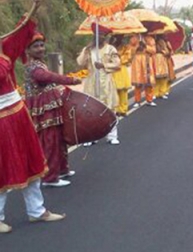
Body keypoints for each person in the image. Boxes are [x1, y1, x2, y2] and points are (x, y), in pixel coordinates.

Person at [0, 18, 65, 234]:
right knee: (3, 168)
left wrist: (32, 12)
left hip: (18, 113)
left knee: (31, 160)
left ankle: (37, 210)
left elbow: (20, 35)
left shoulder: (5, 49)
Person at [24, 32, 81, 187]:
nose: (41, 49)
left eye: (42, 45)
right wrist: (71, 80)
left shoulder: (39, 63)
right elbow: (48, 77)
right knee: (50, 141)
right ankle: (50, 177)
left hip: (50, 105)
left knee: (59, 139)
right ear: (28, 51)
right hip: (44, 109)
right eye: (36, 46)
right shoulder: (34, 67)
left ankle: (62, 169)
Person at [77, 23, 121, 145]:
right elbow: (80, 63)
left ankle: (112, 136)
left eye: (102, 35)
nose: (99, 37)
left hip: (106, 82)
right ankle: (92, 137)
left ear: (105, 36)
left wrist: (104, 65)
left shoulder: (110, 49)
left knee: (110, 109)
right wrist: (86, 51)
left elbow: (118, 65)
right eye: (97, 35)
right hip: (91, 82)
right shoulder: (89, 49)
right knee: (91, 110)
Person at [130, 33, 157, 107]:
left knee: (148, 81)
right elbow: (131, 51)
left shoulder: (150, 39)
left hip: (147, 59)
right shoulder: (133, 39)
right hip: (137, 61)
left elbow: (154, 51)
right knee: (137, 82)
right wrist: (137, 45)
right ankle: (137, 101)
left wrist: (145, 45)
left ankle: (149, 100)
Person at [110, 34, 132, 116]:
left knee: (123, 91)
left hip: (122, 69)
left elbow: (128, 58)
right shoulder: (110, 47)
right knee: (114, 91)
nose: (119, 38)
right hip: (113, 70)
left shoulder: (126, 47)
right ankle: (116, 109)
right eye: (117, 37)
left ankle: (123, 110)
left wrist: (119, 58)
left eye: (121, 37)